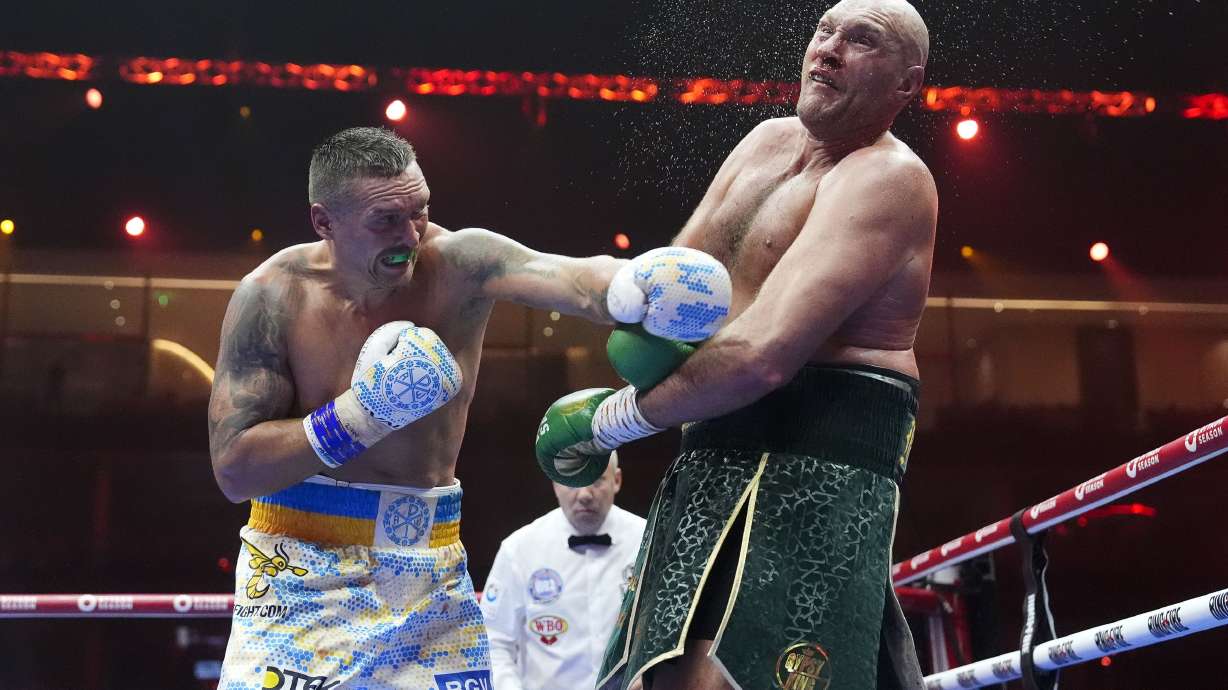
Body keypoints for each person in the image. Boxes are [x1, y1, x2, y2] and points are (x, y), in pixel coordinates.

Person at [208, 127, 730, 689]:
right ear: (324, 223)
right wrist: (361, 415)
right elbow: (235, 469)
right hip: (298, 567)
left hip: (428, 570)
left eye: (420, 212)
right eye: (385, 221)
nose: (411, 235)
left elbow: (569, 277)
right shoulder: (271, 296)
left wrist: (634, 287)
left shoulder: (461, 262)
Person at [535, 1, 937, 688]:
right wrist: (593, 291)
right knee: (653, 671)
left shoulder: (888, 178)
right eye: (824, 31)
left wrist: (610, 421)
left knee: (736, 676)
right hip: (715, 437)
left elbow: (763, 354)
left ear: (906, 84)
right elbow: (671, 291)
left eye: (862, 40)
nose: (830, 49)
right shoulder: (765, 145)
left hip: (820, 455)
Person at [480, 452, 646, 690]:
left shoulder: (647, 540)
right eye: (572, 481)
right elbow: (493, 643)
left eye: (597, 480)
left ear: (616, 480)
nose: (585, 494)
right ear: (555, 483)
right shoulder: (518, 549)